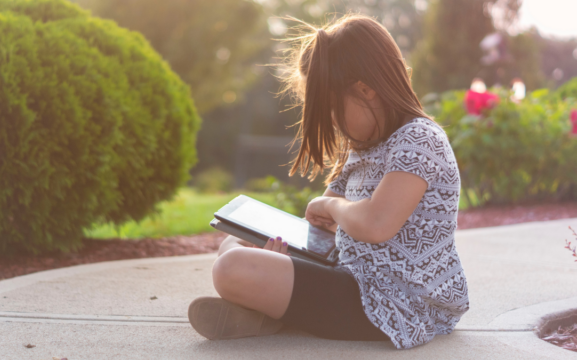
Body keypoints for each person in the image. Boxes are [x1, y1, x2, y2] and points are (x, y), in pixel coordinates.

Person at [188, 14, 470, 350]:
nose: (334, 123)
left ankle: (270, 313)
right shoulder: (362, 150)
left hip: (396, 303)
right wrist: (280, 250)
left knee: (231, 268)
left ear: (367, 91)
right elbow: (320, 233)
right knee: (233, 243)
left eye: (333, 110)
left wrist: (332, 206)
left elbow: (376, 223)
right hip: (349, 275)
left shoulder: (419, 140)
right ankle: (268, 312)